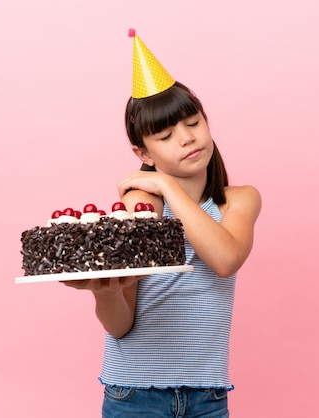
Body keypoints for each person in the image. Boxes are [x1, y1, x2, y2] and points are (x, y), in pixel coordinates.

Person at [63, 30, 261, 418]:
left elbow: (225, 260)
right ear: (142, 153)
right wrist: (105, 293)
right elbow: (121, 327)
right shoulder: (143, 204)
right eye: (167, 135)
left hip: (209, 395)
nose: (187, 139)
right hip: (135, 394)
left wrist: (169, 185)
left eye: (193, 123)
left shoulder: (238, 199)